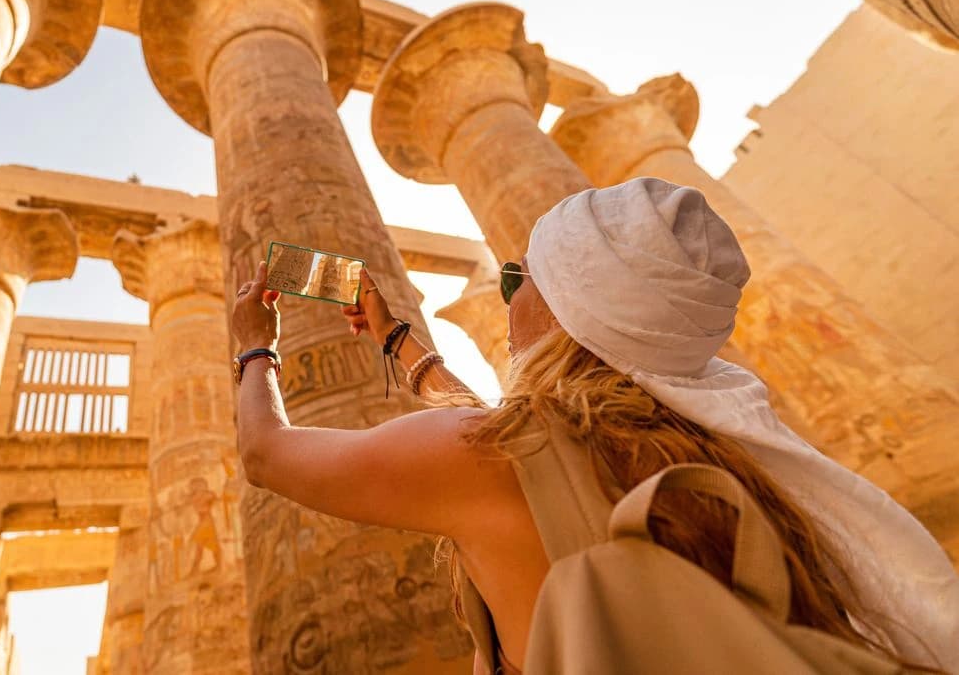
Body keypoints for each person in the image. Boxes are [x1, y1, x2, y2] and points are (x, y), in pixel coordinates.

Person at [229, 177, 959, 674]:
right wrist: (399, 343)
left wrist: (253, 343)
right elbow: (497, 436)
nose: (507, 299)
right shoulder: (717, 445)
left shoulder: (488, 459)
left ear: (567, 310)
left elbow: (266, 454)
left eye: (518, 280)